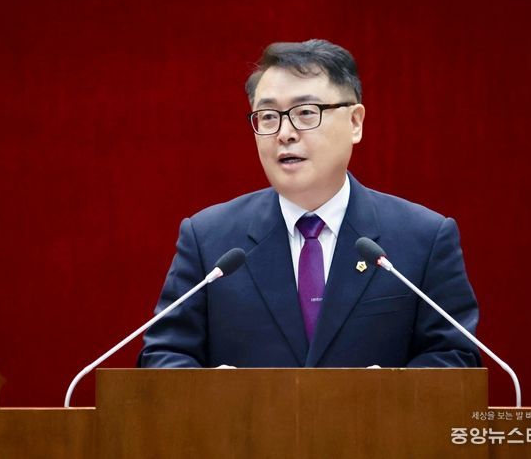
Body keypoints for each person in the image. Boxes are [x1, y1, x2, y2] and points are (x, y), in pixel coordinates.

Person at [138, 39, 480, 368]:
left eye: (305, 112)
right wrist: (215, 392)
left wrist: (391, 392)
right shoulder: (209, 239)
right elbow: (163, 354)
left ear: (355, 122)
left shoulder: (424, 238)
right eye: (268, 116)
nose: (284, 133)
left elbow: (455, 356)